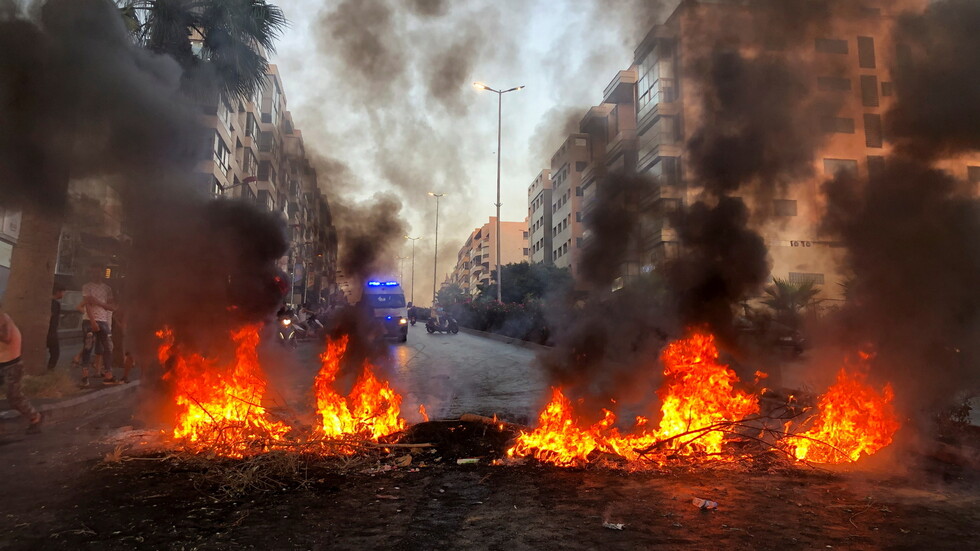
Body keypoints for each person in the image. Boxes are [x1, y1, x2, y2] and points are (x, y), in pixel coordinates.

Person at [0, 306, 43, 433]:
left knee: (14, 397)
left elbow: (6, 337)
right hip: (3, 362)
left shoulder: (3, 318)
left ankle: (35, 418)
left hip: (11, 364)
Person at [82, 263, 116, 382]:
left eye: (98, 271)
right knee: (88, 347)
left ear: (102, 272)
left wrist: (97, 302)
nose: (95, 274)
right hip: (89, 321)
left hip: (103, 321)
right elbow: (87, 305)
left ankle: (108, 374)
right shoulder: (87, 287)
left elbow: (112, 307)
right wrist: (93, 322)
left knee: (108, 347)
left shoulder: (107, 289)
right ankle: (85, 376)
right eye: (93, 272)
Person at [47, 283, 64, 370]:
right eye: (63, 292)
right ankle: (50, 369)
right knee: (55, 352)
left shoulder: (47, 302)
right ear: (58, 292)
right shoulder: (55, 304)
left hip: (48, 331)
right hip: (51, 332)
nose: (63, 294)